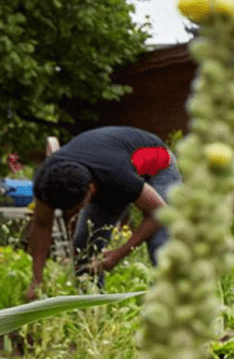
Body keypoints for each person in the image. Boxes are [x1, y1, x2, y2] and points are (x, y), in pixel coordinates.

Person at [26, 126, 182, 300]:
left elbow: (159, 212)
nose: (74, 213)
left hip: (155, 159)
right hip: (111, 170)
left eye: (78, 206)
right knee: (83, 248)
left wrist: (118, 254)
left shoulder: (116, 174)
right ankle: (91, 306)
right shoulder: (47, 181)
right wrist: (37, 280)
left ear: (91, 190)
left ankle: (168, 305)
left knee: (161, 242)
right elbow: (41, 226)